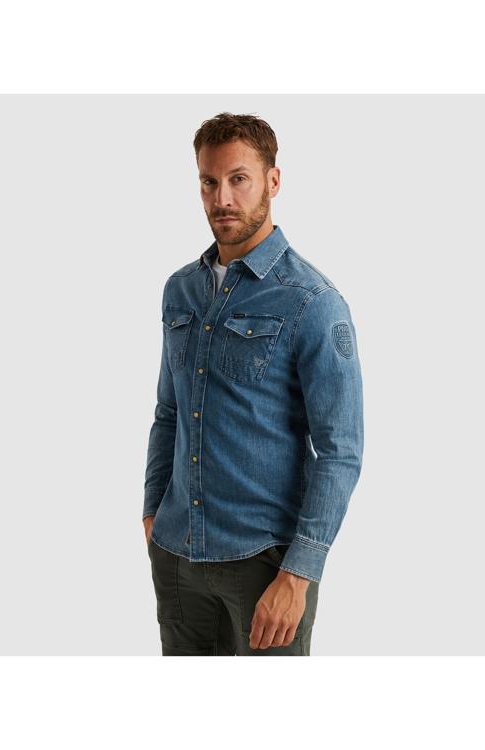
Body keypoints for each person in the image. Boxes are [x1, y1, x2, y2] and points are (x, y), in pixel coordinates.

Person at [142, 111, 364, 656]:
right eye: (209, 181)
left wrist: (299, 573)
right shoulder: (180, 290)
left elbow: (340, 450)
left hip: (265, 567)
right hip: (176, 557)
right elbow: (169, 412)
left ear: (273, 181)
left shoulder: (313, 301)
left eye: (238, 179)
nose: (222, 198)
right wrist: (152, 513)